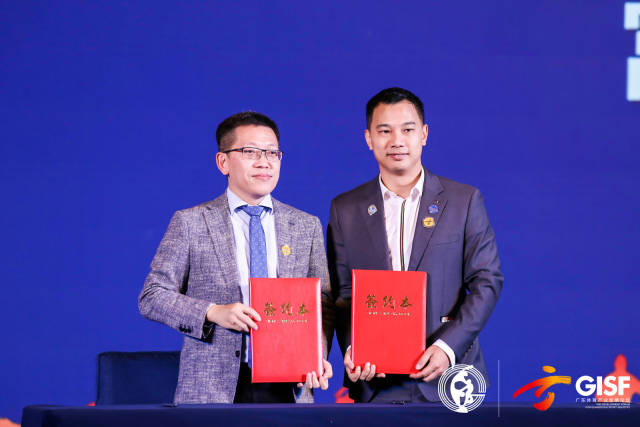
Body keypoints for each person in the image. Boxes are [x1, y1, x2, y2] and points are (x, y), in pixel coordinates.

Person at [139, 111, 334, 404]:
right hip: (213, 388)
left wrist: (316, 354)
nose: (264, 162)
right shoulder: (191, 223)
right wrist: (213, 311)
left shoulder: (306, 226)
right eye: (250, 152)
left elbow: (323, 304)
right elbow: (152, 296)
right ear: (223, 162)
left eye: (272, 152)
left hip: (289, 384)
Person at [327, 87, 503, 403]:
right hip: (375, 381)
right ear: (368, 138)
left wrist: (447, 347)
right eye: (384, 131)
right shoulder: (345, 209)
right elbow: (343, 293)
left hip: (450, 377)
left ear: (424, 134)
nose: (397, 141)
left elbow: (486, 281)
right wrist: (353, 347)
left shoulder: (463, 201)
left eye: (407, 130)